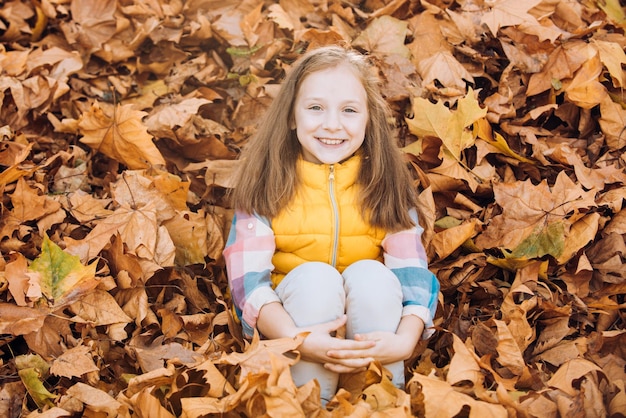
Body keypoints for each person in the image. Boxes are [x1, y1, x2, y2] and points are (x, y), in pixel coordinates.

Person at [223, 45, 440, 404]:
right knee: (316, 279)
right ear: (291, 115)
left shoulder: (384, 184)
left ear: (368, 119)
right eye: (315, 108)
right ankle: (309, 403)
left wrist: (404, 341)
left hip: (372, 336)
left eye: (349, 111)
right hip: (293, 329)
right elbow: (249, 284)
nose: (332, 124)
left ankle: (381, 399)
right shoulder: (266, 186)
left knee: (373, 274)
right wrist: (298, 338)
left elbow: (412, 273)